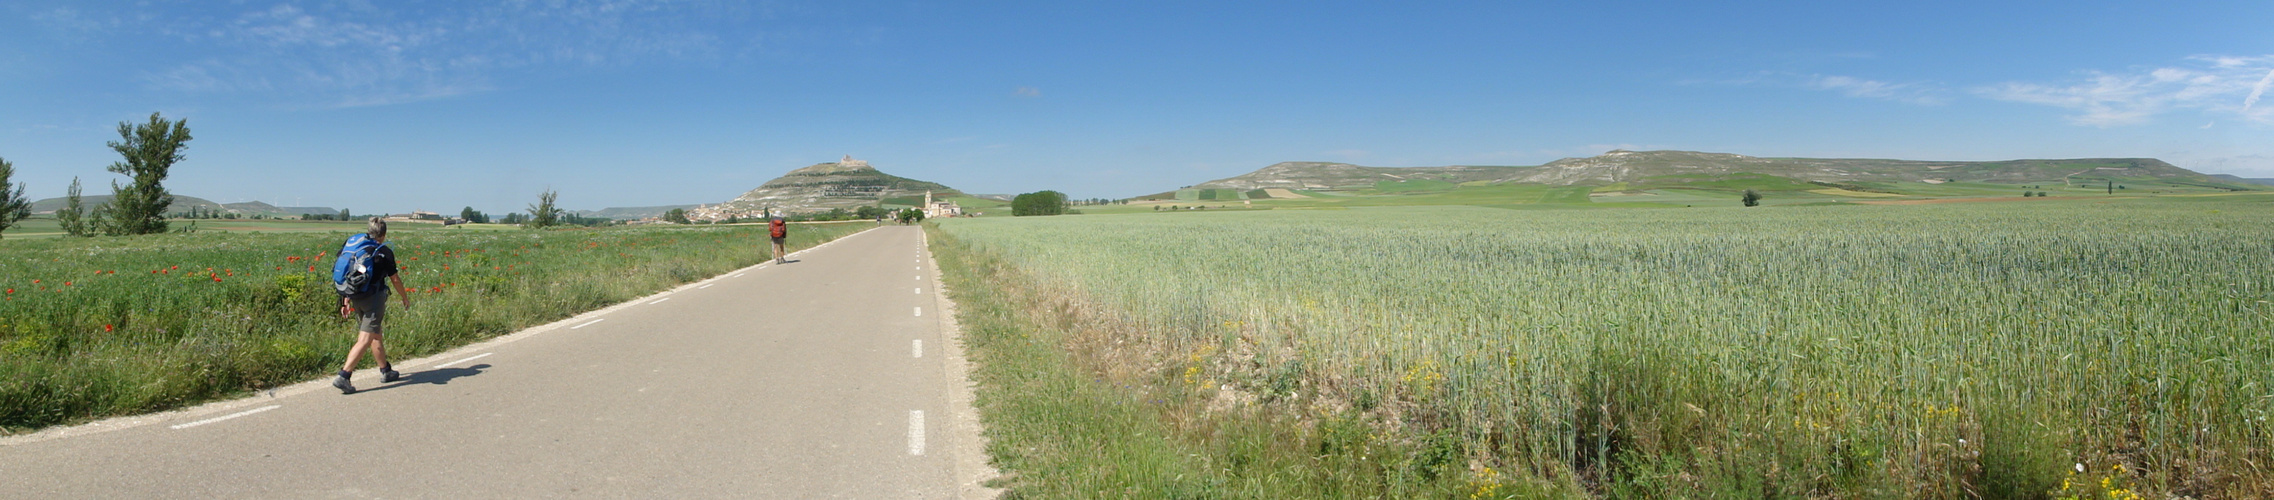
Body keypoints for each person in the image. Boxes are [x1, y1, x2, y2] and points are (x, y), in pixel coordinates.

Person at [333, 217, 411, 394]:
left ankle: (386, 371)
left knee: (375, 333)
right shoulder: (383, 251)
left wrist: (345, 299)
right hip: (373, 299)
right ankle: (344, 376)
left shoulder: (355, 244)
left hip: (355, 296)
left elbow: (348, 273)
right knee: (365, 338)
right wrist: (404, 297)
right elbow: (395, 279)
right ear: (383, 234)